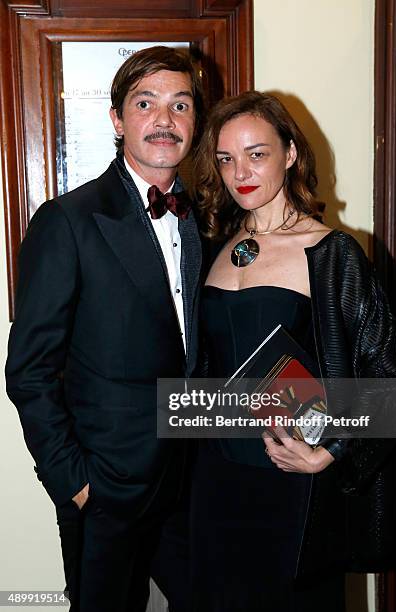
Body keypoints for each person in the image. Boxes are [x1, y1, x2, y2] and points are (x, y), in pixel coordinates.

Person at [5, 45, 204, 612]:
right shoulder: (67, 221)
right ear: (117, 120)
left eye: (181, 105)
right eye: (146, 104)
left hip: (190, 479)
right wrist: (75, 480)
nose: (165, 120)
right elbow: (28, 369)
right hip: (104, 486)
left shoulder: (206, 219)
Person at [190, 90, 396, 612]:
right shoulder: (213, 244)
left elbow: (389, 379)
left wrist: (328, 453)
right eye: (226, 158)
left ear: (290, 155)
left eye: (256, 153)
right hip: (215, 483)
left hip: (292, 488)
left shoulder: (333, 254)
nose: (239, 170)